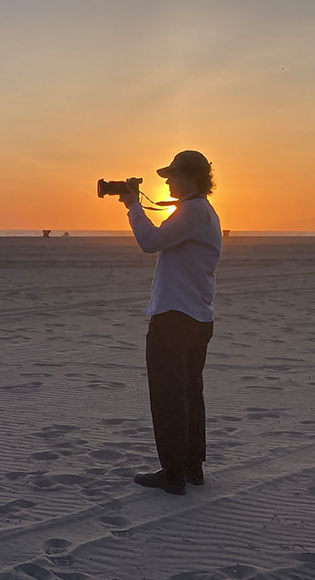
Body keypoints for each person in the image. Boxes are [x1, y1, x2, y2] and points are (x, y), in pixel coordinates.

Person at [119, 150, 222, 495]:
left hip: (175, 316)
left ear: (191, 176)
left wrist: (133, 206)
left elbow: (150, 242)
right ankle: (192, 467)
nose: (166, 180)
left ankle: (174, 472)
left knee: (169, 395)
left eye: (173, 174)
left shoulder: (192, 210)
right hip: (196, 315)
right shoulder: (203, 211)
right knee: (190, 393)